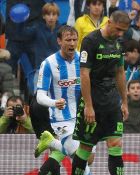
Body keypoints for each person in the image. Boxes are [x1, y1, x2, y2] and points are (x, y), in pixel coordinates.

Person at [71, 10, 130, 175]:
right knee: (86, 147)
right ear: (108, 22)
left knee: (116, 145)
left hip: (111, 101)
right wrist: (88, 106)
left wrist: (124, 102)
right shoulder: (90, 41)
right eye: (118, 29)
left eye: (123, 31)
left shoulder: (119, 43)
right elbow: (84, 74)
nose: (120, 33)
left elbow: (120, 72)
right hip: (93, 100)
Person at [34, 25, 93, 175]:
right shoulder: (48, 64)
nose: (72, 43)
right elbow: (39, 96)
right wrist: (54, 103)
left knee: (89, 159)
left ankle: (51, 142)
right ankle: (53, 142)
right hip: (61, 117)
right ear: (59, 41)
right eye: (68, 40)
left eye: (74, 40)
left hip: (84, 115)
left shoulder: (83, 60)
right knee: (78, 156)